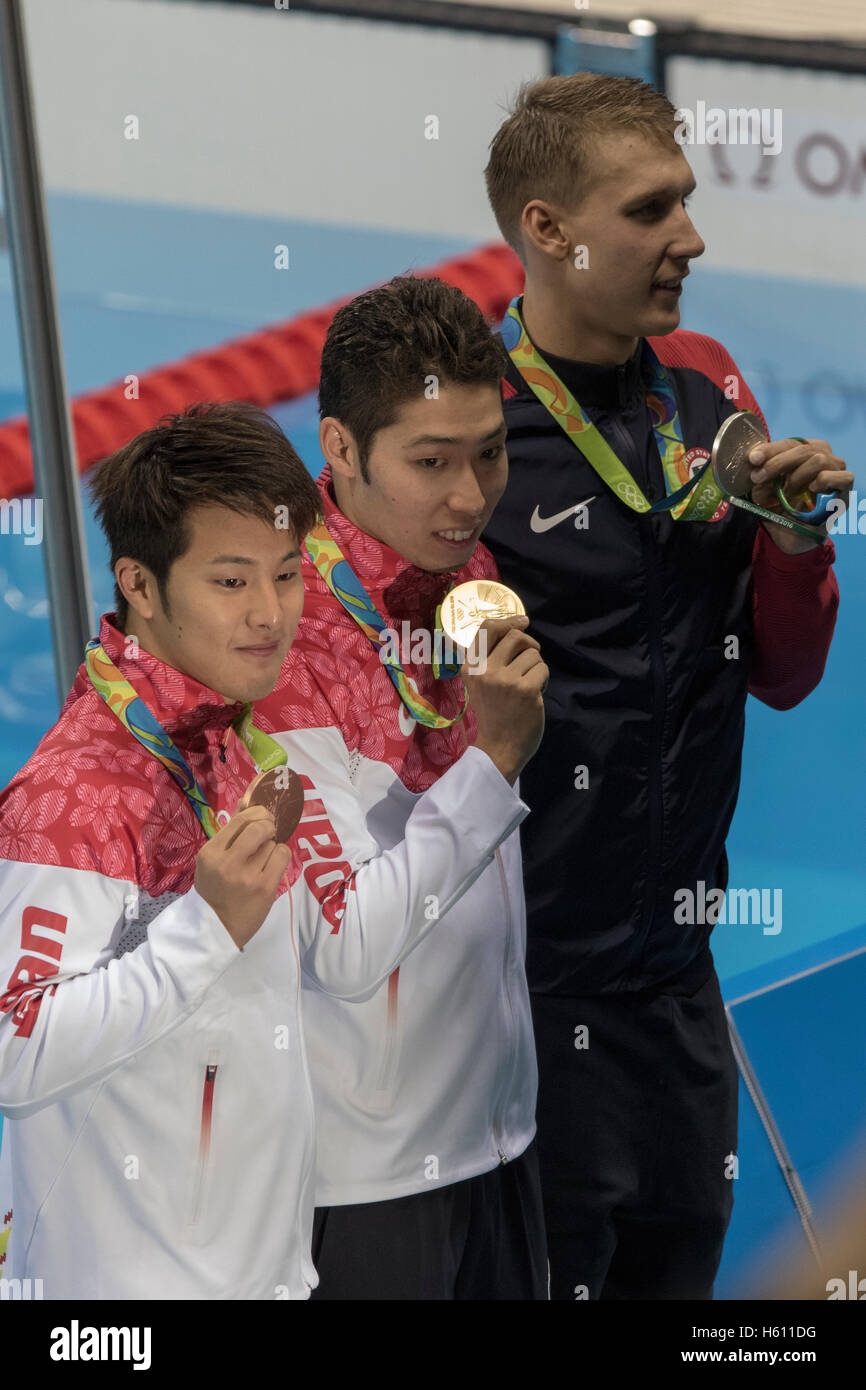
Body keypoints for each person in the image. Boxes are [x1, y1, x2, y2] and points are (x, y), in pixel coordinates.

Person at [0, 400, 542, 1299]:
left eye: (287, 575)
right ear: (138, 583)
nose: (269, 616)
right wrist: (206, 931)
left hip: (267, 1273)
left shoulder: (231, 738)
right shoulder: (82, 792)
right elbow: (15, 1050)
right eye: (230, 582)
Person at [480, 73, 852, 1300]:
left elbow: (784, 677)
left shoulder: (703, 384)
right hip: (521, 991)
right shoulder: (469, 441)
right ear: (547, 229)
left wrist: (793, 543)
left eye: (684, 202)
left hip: (682, 978)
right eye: (650, 211)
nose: (688, 238)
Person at [253, 274, 550, 1299]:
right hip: (362, 1183)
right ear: (339, 449)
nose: (469, 495)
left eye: (489, 453)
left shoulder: (467, 571)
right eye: (430, 462)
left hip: (499, 1137)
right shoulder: (279, 638)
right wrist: (494, 762)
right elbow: (338, 945)